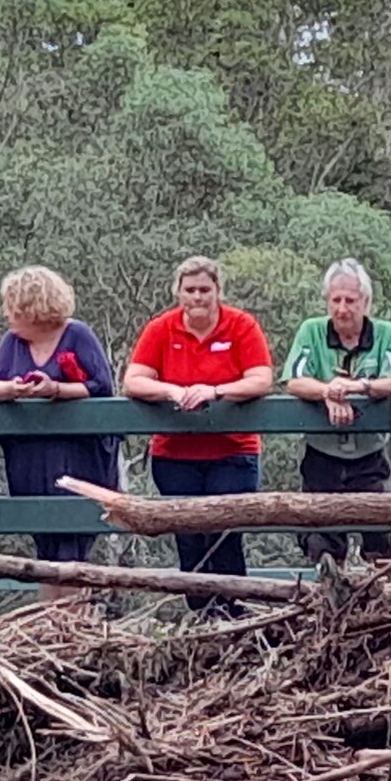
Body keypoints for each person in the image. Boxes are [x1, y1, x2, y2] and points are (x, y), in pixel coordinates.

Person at [123, 256, 274, 617]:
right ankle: (199, 617)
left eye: (205, 289)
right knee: (188, 536)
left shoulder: (241, 326)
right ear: (178, 292)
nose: (197, 297)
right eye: (189, 290)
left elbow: (262, 378)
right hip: (175, 454)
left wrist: (216, 391)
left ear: (218, 291)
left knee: (225, 532)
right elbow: (133, 380)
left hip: (233, 451)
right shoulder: (162, 328)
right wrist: (172, 391)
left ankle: (234, 613)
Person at [0, 265, 120, 600]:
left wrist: (56, 389)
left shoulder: (78, 335)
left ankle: (73, 625)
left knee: (72, 544)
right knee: (45, 544)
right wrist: (13, 389)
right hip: (30, 457)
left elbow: (101, 387)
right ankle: (50, 624)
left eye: (13, 307)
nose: (7, 315)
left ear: (32, 308)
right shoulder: (11, 343)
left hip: (79, 455)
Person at [281, 259, 391, 567]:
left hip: (369, 454)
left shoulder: (385, 333)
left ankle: (383, 601)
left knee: (379, 534)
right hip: (321, 453)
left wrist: (357, 388)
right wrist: (328, 392)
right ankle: (328, 600)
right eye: (335, 300)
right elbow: (293, 380)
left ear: (366, 301)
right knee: (320, 536)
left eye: (350, 300)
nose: (342, 309)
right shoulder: (312, 331)